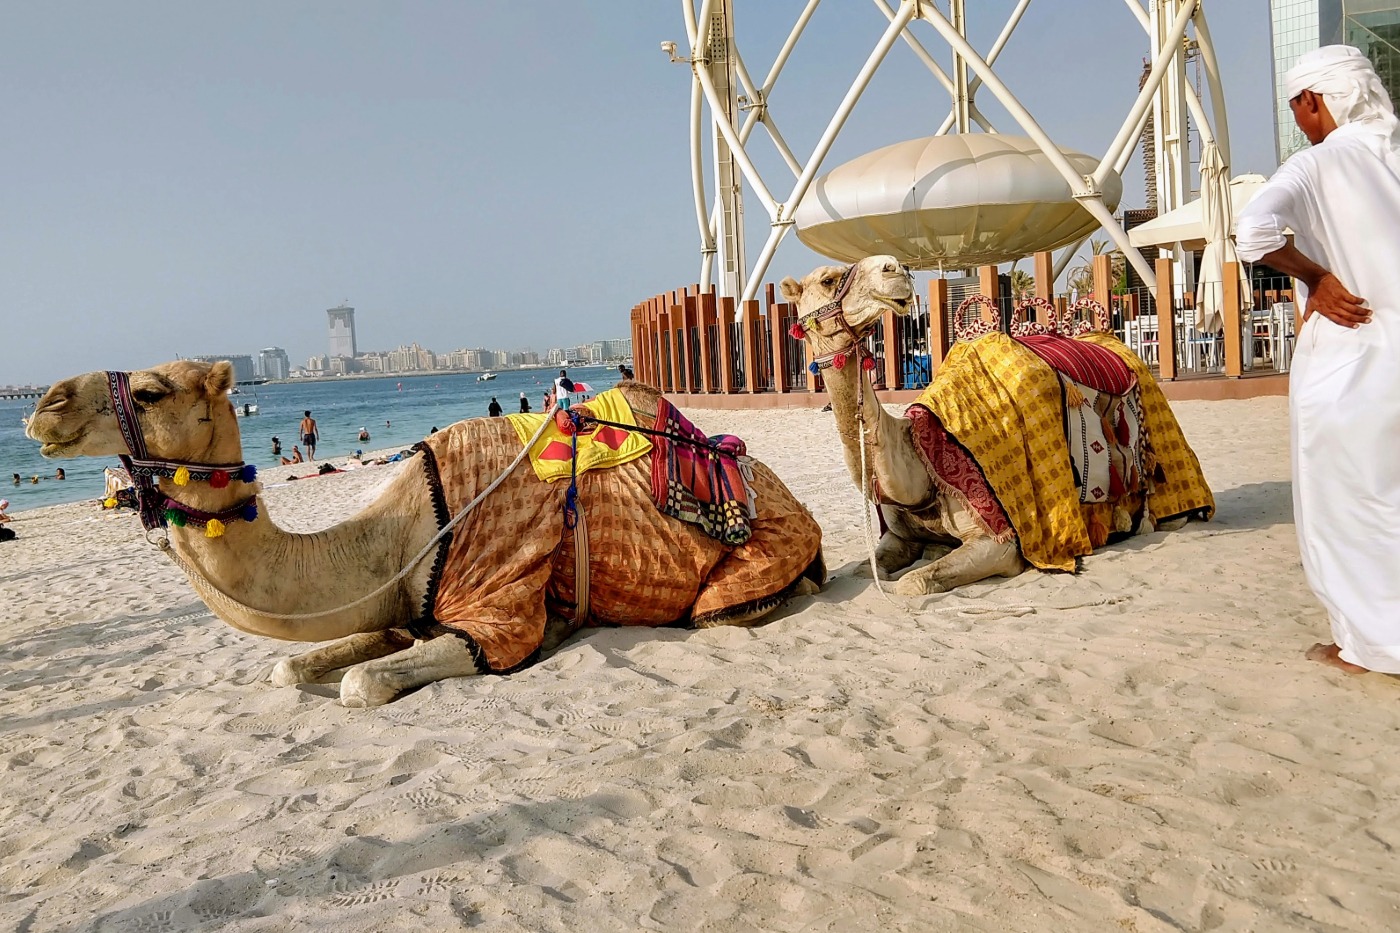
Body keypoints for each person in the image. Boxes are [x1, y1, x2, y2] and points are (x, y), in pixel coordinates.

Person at [1235, 45, 1400, 674]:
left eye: (1296, 108)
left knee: (1348, 502)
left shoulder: (1320, 162)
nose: (1299, 121)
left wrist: (1316, 277)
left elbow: (1253, 233)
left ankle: (1365, 645)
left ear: (1313, 100)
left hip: (1352, 359)